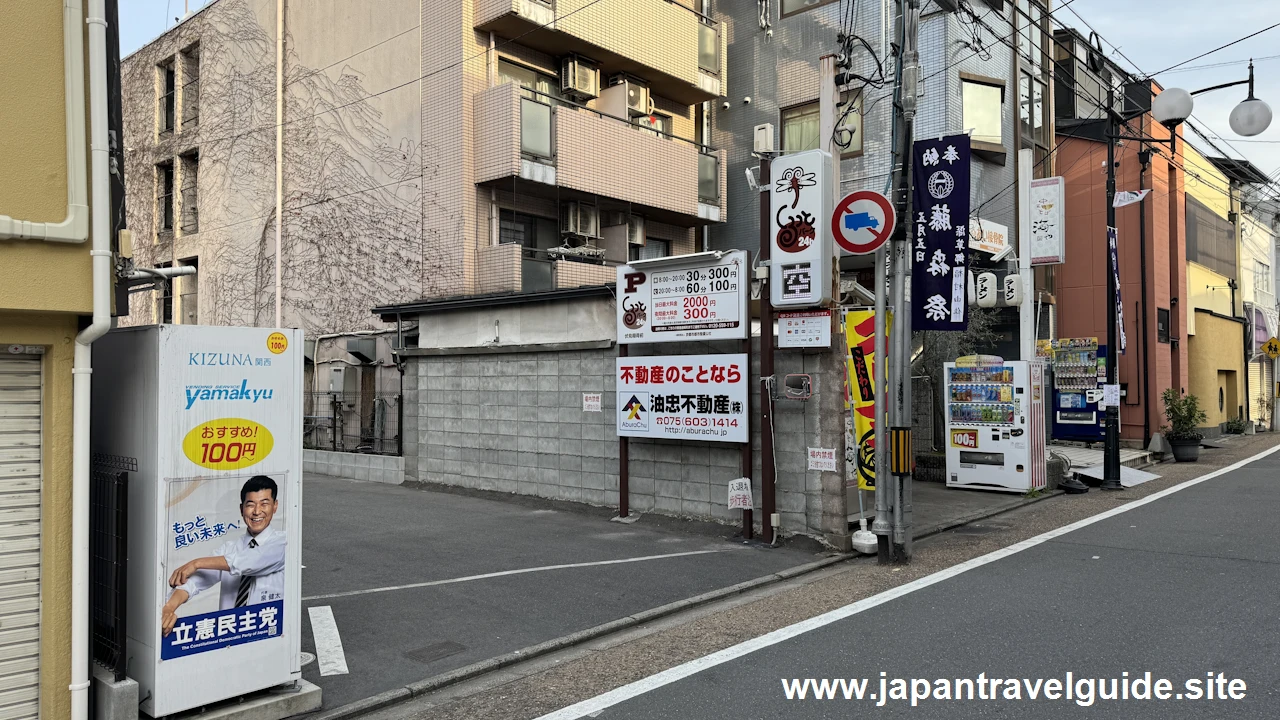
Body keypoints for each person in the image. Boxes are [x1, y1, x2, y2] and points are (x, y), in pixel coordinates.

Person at [161, 475, 286, 637]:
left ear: (275, 506)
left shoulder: (283, 542)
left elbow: (249, 562)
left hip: (267, 630)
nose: (257, 511)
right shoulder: (229, 549)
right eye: (251, 505)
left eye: (264, 504)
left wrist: (196, 563)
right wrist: (169, 608)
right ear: (242, 509)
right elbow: (194, 582)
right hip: (229, 633)